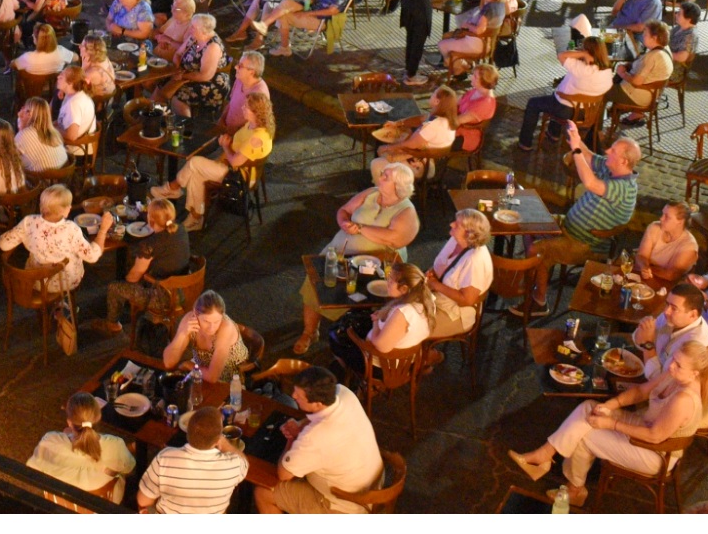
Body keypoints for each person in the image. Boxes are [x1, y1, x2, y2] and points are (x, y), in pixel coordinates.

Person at [506, 339, 708, 507]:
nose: (671, 365)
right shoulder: (675, 374)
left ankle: (575, 490)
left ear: (695, 373)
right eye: (673, 359)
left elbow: (655, 436)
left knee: (586, 433)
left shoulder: (684, 399)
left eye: (678, 365)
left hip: (656, 453)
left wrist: (611, 424)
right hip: (645, 427)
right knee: (590, 407)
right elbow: (641, 391)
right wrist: (611, 405)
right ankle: (546, 454)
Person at [294, 163, 421, 355]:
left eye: (386, 176)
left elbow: (394, 238)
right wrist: (345, 222)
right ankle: (309, 332)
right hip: (339, 251)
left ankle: (351, 335)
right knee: (315, 284)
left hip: (373, 265)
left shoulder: (406, 212)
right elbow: (343, 211)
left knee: (355, 295)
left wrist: (361, 228)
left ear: (398, 186)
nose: (380, 177)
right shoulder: (371, 193)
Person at [254, 366, 384, 514]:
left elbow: (284, 475)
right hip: (370, 484)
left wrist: (292, 440)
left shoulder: (314, 438)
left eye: (299, 395)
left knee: (263, 493)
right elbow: (321, 417)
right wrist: (300, 424)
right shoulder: (343, 392)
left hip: (345, 505)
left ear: (317, 403)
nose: (293, 396)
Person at [153, 90, 274, 230]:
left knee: (194, 163)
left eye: (246, 107)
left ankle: (173, 188)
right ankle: (195, 217)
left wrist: (225, 146)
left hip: (236, 176)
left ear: (256, 112)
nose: (243, 108)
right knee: (196, 174)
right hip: (229, 166)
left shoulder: (256, 139)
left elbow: (235, 162)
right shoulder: (253, 125)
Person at [100, 196, 191, 333]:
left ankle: (112, 324)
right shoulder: (181, 228)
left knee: (114, 287)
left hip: (163, 297)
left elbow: (134, 277)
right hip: (186, 288)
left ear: (151, 221)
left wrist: (124, 284)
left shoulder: (150, 245)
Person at [137, 405, 250, 514]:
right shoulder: (233, 465)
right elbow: (243, 461)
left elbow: (143, 501)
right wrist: (224, 442)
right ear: (217, 440)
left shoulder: (164, 458)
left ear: (187, 434)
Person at [26, 392, 136, 503]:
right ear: (98, 417)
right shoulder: (114, 445)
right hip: (100, 506)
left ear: (69, 422)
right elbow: (129, 467)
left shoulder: (50, 441)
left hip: (62, 506)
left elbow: (34, 470)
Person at [0, 184, 105, 295]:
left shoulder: (28, 222)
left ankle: (53, 308)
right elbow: (92, 257)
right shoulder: (71, 229)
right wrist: (103, 230)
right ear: (62, 210)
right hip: (66, 283)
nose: (70, 207)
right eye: (68, 205)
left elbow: (3, 244)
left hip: (36, 281)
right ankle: (62, 305)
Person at [514, 36, 614, 152]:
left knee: (534, 103)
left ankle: (525, 143)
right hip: (588, 113)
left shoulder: (580, 68)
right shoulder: (607, 72)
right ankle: (553, 134)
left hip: (566, 110)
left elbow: (561, 55)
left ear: (587, 51)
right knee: (556, 97)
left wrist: (582, 54)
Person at [425, 210, 494, 340]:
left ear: (469, 234)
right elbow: (441, 264)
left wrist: (435, 285)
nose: (451, 224)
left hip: (454, 314)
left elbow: (467, 300)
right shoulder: (456, 240)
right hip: (437, 298)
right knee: (399, 309)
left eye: (457, 225)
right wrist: (430, 274)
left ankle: (429, 355)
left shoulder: (475, 261)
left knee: (408, 328)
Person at [162, 290, 252, 383]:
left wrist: (188, 365)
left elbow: (212, 377)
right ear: (195, 314)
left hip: (231, 378)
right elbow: (168, 363)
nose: (212, 328)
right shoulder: (190, 320)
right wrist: (182, 333)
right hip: (203, 371)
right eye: (207, 322)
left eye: (216, 321)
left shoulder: (226, 328)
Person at [634, 202, 700, 287]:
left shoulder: (689, 246)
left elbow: (670, 275)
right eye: (662, 214)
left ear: (680, 221)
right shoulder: (654, 227)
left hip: (667, 286)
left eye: (667, 217)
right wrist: (644, 266)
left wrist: (647, 269)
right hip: (644, 278)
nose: (661, 218)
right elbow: (642, 255)